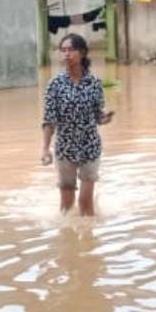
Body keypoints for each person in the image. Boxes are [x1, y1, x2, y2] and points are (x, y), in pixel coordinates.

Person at [41, 34, 113, 216]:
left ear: (82, 53)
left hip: (90, 146)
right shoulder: (54, 85)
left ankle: (89, 240)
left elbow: (98, 116)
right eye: (63, 50)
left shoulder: (94, 83)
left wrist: (104, 118)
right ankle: (67, 238)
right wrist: (45, 149)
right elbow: (49, 121)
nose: (66, 54)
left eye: (70, 49)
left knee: (85, 202)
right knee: (66, 205)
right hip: (65, 148)